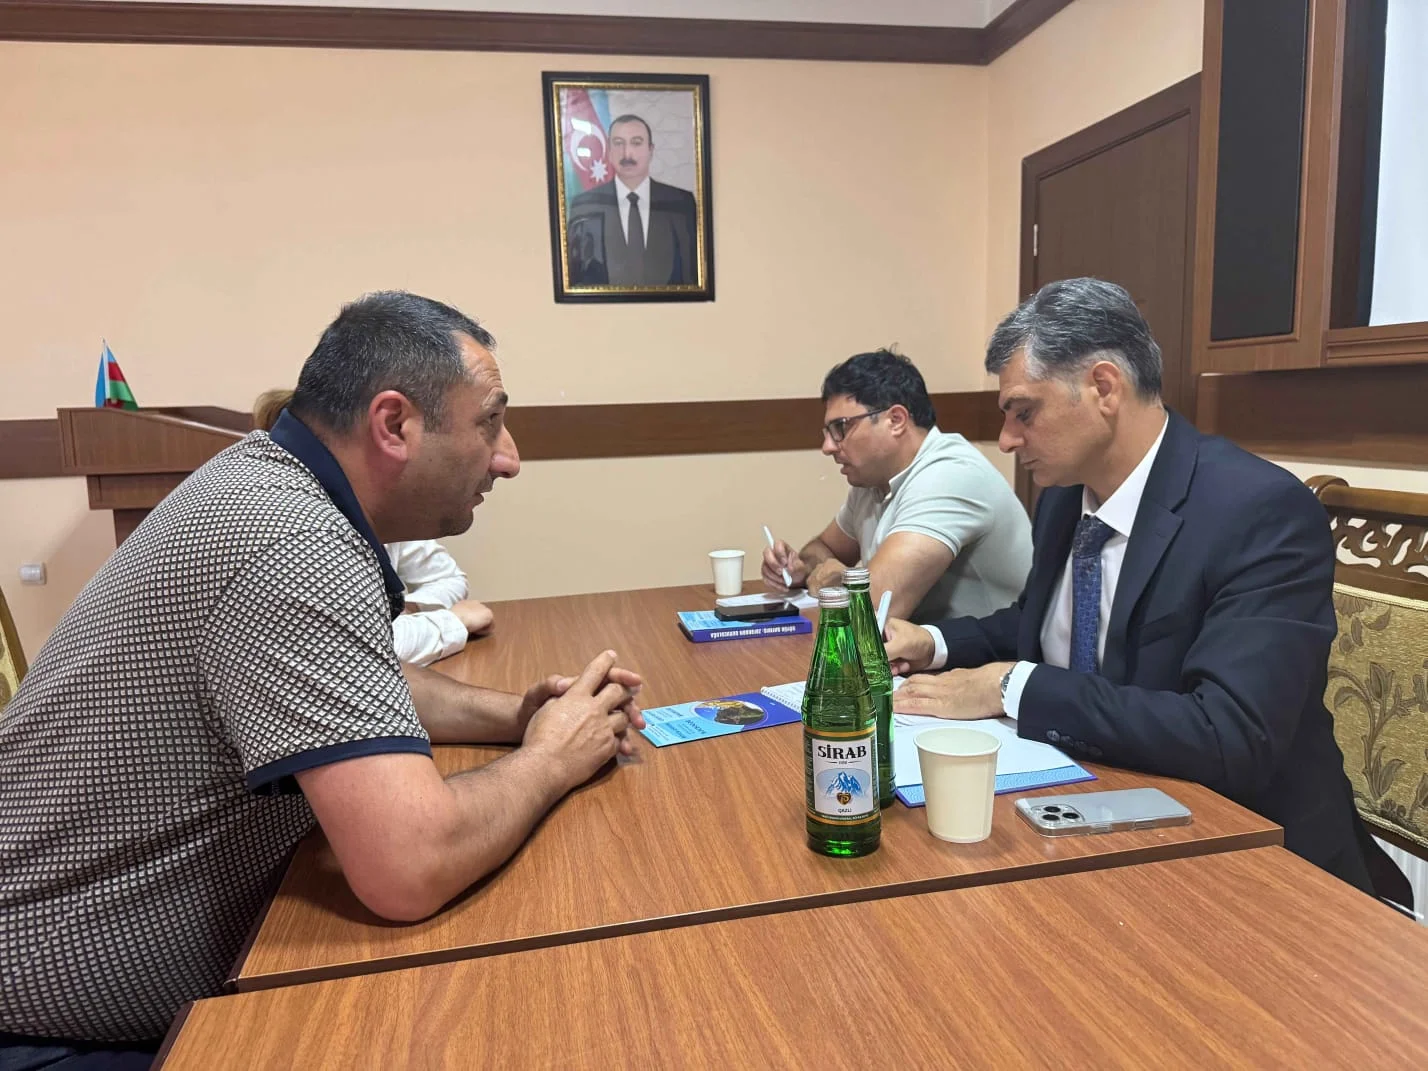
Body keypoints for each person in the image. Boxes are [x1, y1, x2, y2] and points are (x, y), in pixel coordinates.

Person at [0, 292, 645, 1061]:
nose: (507, 456)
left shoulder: (270, 486)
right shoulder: (290, 541)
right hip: (51, 1028)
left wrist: (516, 715)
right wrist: (551, 757)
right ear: (394, 424)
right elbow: (409, 866)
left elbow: (352, 681)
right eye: (489, 422)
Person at [883, 277, 1410, 906]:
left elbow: (1230, 733)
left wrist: (1009, 687)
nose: (1007, 440)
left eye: (1024, 412)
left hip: (1253, 858)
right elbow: (1041, 626)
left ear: (1104, 387)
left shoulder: (1259, 512)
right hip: (1094, 816)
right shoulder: (1064, 500)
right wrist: (933, 642)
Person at [761, 349, 1032, 624]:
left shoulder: (949, 475)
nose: (828, 446)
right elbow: (821, 548)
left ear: (896, 420)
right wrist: (801, 568)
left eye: (840, 428)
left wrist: (840, 581)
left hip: (991, 649)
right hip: (923, 645)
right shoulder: (872, 480)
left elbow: (874, 612)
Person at [255, 389, 493, 665]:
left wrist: (404, 610)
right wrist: (451, 622)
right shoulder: (299, 529)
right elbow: (351, 651)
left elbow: (448, 579)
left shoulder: (375, 503)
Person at [567, 113, 699, 287]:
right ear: (609, 150)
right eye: (618, 143)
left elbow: (692, 276)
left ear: (650, 150)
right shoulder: (585, 206)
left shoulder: (680, 203)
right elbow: (577, 280)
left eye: (636, 143)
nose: (627, 153)